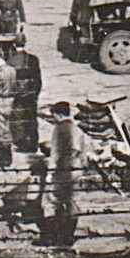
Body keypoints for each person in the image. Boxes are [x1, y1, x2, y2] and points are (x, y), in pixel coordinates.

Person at [45, 101, 84, 249]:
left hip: (63, 168)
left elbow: (55, 152)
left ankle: (53, 237)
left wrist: (50, 172)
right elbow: (85, 151)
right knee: (72, 202)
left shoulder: (59, 129)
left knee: (52, 201)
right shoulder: (77, 129)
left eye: (54, 115)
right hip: (77, 168)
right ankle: (69, 237)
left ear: (58, 114)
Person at [7, 46, 43, 153]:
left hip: (19, 95)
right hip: (32, 93)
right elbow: (38, 78)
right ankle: (33, 143)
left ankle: (22, 143)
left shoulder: (11, 61)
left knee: (19, 119)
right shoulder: (33, 59)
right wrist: (36, 92)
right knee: (32, 118)